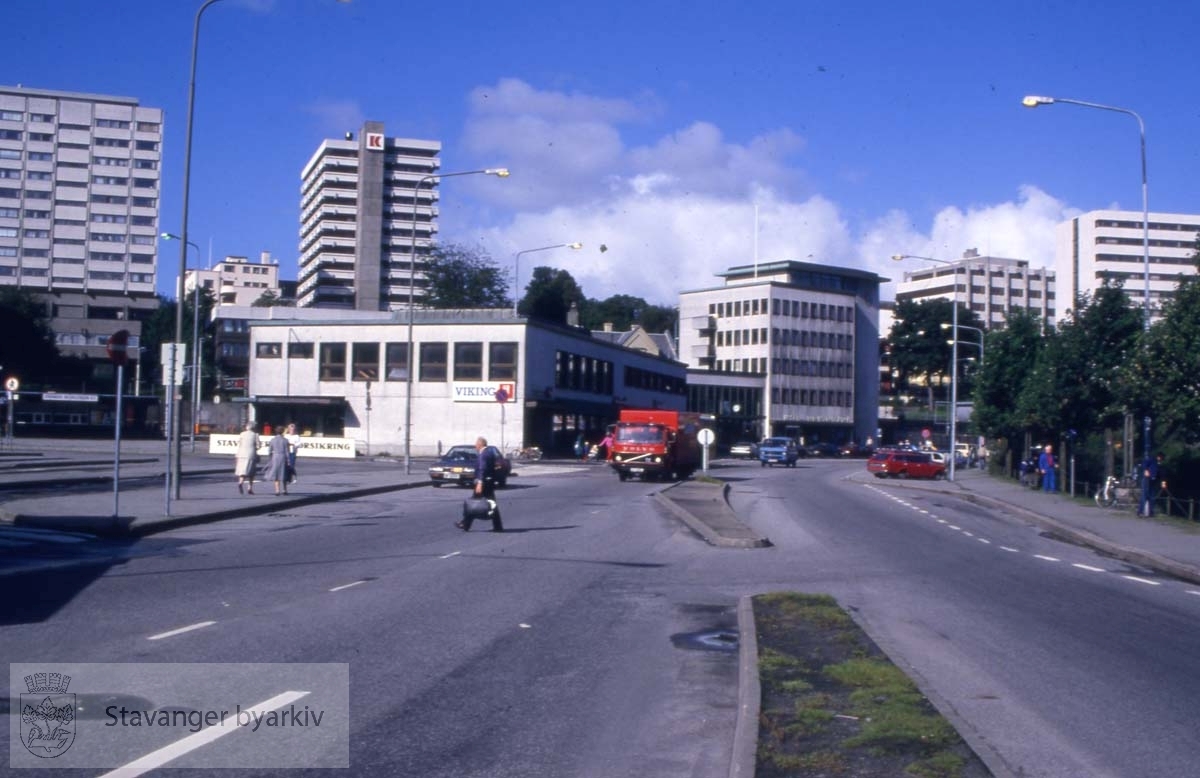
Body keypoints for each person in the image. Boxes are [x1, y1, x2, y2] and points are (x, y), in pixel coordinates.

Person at [456, 436, 504, 532]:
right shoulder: (490, 453)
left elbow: (483, 468)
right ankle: (497, 526)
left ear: (480, 444)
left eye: (476, 444)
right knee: (491, 504)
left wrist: (480, 483)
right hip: (489, 482)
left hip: (483, 483)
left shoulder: (483, 454)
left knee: (473, 503)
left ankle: (465, 523)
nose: (475, 446)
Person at [234, 422, 260, 495]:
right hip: (250, 455)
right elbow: (258, 446)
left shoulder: (242, 434)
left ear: (247, 427)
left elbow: (239, 443)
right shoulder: (255, 435)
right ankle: (250, 488)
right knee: (251, 472)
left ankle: (240, 482)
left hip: (241, 454)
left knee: (242, 470)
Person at [265, 431, 290, 496]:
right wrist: (288, 460)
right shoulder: (285, 440)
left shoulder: (273, 440)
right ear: (282, 432)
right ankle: (284, 490)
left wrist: (270, 458)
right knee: (284, 473)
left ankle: (277, 490)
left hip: (275, 457)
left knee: (276, 474)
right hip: (283, 457)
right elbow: (287, 451)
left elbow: (269, 451)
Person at [1140, 452, 1164, 517]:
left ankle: (1151, 512)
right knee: (1144, 495)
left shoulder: (1159, 464)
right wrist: (1146, 470)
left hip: (1154, 480)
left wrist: (1162, 482)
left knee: (1152, 497)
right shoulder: (1152, 459)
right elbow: (1144, 464)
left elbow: (1161, 474)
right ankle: (1140, 511)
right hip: (1147, 479)